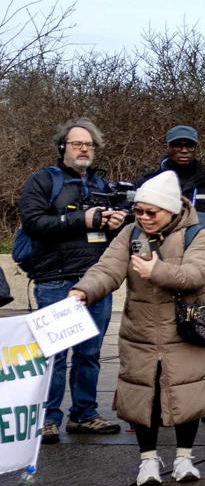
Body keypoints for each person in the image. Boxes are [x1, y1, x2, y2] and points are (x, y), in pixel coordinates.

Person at [69, 170, 205, 486]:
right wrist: (84, 290)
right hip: (141, 333)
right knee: (143, 399)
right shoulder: (130, 234)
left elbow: (199, 274)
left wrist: (158, 270)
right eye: (138, 211)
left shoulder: (197, 234)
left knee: (188, 395)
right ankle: (148, 461)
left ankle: (184, 458)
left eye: (150, 212)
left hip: (187, 332)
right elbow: (107, 270)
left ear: (169, 209)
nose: (143, 217)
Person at [17, 117, 127, 440]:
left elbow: (112, 234)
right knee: (54, 355)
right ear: (62, 146)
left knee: (89, 353)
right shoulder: (42, 181)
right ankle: (47, 418)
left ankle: (84, 413)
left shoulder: (101, 185)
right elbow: (34, 222)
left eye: (89, 144)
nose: (84, 149)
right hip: (55, 279)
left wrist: (115, 222)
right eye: (77, 143)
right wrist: (83, 218)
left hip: (95, 280)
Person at [144, 125, 205, 424]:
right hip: (161, 274)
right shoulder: (152, 181)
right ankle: (151, 409)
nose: (184, 150)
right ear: (168, 147)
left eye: (189, 145)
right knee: (159, 345)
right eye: (178, 145)